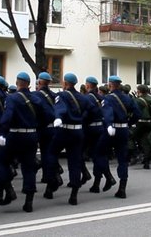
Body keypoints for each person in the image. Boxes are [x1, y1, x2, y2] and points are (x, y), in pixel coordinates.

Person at [0, 72, 51, 212]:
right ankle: (29, 201)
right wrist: (36, 127)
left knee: (1, 162)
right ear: (29, 83)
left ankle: (8, 188)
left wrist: (2, 133)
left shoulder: (12, 98)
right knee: (28, 167)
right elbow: (48, 115)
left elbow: (7, 117)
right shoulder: (36, 98)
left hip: (15, 135)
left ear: (17, 82)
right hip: (31, 136)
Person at [47, 73, 100, 205]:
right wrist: (81, 119)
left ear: (65, 83)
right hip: (78, 131)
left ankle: (53, 179)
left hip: (64, 130)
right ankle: (74, 194)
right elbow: (94, 110)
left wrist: (58, 117)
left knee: (51, 154)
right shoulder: (83, 98)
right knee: (75, 162)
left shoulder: (62, 95)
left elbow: (60, 108)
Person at [101, 75, 141, 198]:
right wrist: (128, 123)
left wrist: (109, 125)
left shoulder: (108, 98)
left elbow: (107, 113)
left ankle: (108, 177)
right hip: (123, 129)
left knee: (100, 154)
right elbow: (137, 113)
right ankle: (122, 188)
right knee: (122, 159)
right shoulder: (127, 98)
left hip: (111, 129)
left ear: (110, 85)